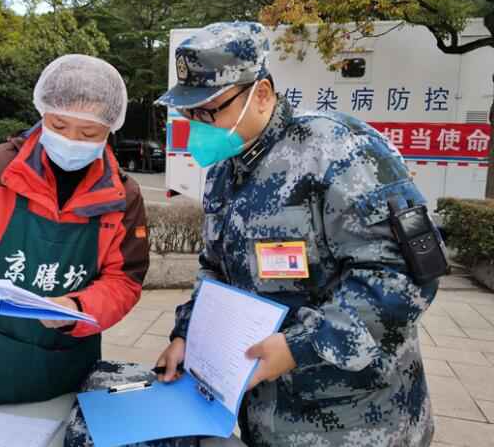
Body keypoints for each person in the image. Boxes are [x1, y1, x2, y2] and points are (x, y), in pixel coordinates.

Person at [153, 22, 439, 446]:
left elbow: (408, 276)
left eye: (209, 111)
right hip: (265, 416)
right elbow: (215, 269)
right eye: (188, 113)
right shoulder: (224, 172)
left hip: (358, 422)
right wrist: (186, 334)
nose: (197, 124)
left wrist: (300, 345)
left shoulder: (340, 150)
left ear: (261, 94)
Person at [0, 54, 150, 413]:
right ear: (43, 113)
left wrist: (78, 308)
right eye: (59, 124)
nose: (71, 140)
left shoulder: (122, 197)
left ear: (110, 130)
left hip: (65, 369)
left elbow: (125, 282)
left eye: (88, 133)